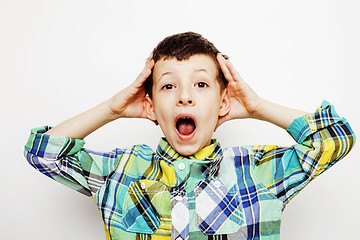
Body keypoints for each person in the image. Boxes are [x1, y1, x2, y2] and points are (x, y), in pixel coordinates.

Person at [24, 32, 355, 240]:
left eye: (201, 84)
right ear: (150, 106)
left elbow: (333, 139)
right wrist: (112, 108)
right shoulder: (121, 170)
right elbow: (43, 153)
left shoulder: (257, 172)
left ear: (222, 103)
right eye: (169, 86)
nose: (185, 97)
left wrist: (257, 107)